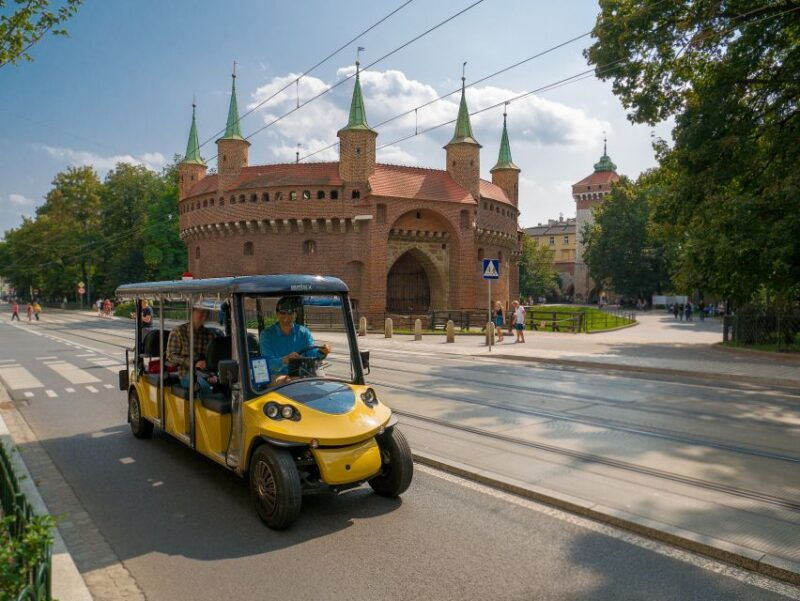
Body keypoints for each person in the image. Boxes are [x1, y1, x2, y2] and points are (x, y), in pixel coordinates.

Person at [259, 297, 331, 383]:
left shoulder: (303, 332)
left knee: (324, 383)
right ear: (277, 314)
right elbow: (268, 363)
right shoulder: (266, 335)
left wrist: (322, 352)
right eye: (283, 312)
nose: (286, 316)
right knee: (290, 382)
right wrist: (285, 359)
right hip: (278, 375)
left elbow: (312, 354)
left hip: (302, 373)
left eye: (290, 313)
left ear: (295, 314)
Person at [166, 308, 217, 398]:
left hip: (206, 373)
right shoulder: (178, 331)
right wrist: (193, 363)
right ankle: (202, 411)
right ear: (192, 313)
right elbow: (171, 356)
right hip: (186, 374)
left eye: (204, 312)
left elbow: (213, 358)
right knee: (202, 385)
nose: (201, 315)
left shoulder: (210, 334)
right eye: (199, 311)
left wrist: (213, 374)